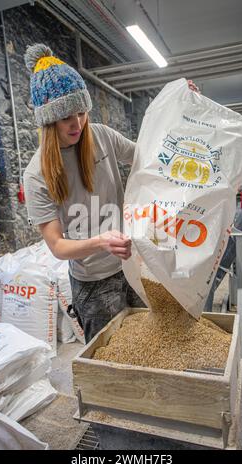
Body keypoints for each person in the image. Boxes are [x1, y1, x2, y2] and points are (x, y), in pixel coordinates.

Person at [23, 43, 199, 343]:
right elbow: (57, 246)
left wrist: (179, 108)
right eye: (66, 117)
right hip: (92, 283)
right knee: (110, 358)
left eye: (81, 112)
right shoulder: (37, 173)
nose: (77, 123)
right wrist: (101, 242)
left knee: (150, 342)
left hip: (133, 265)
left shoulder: (102, 136)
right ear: (49, 121)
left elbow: (153, 154)